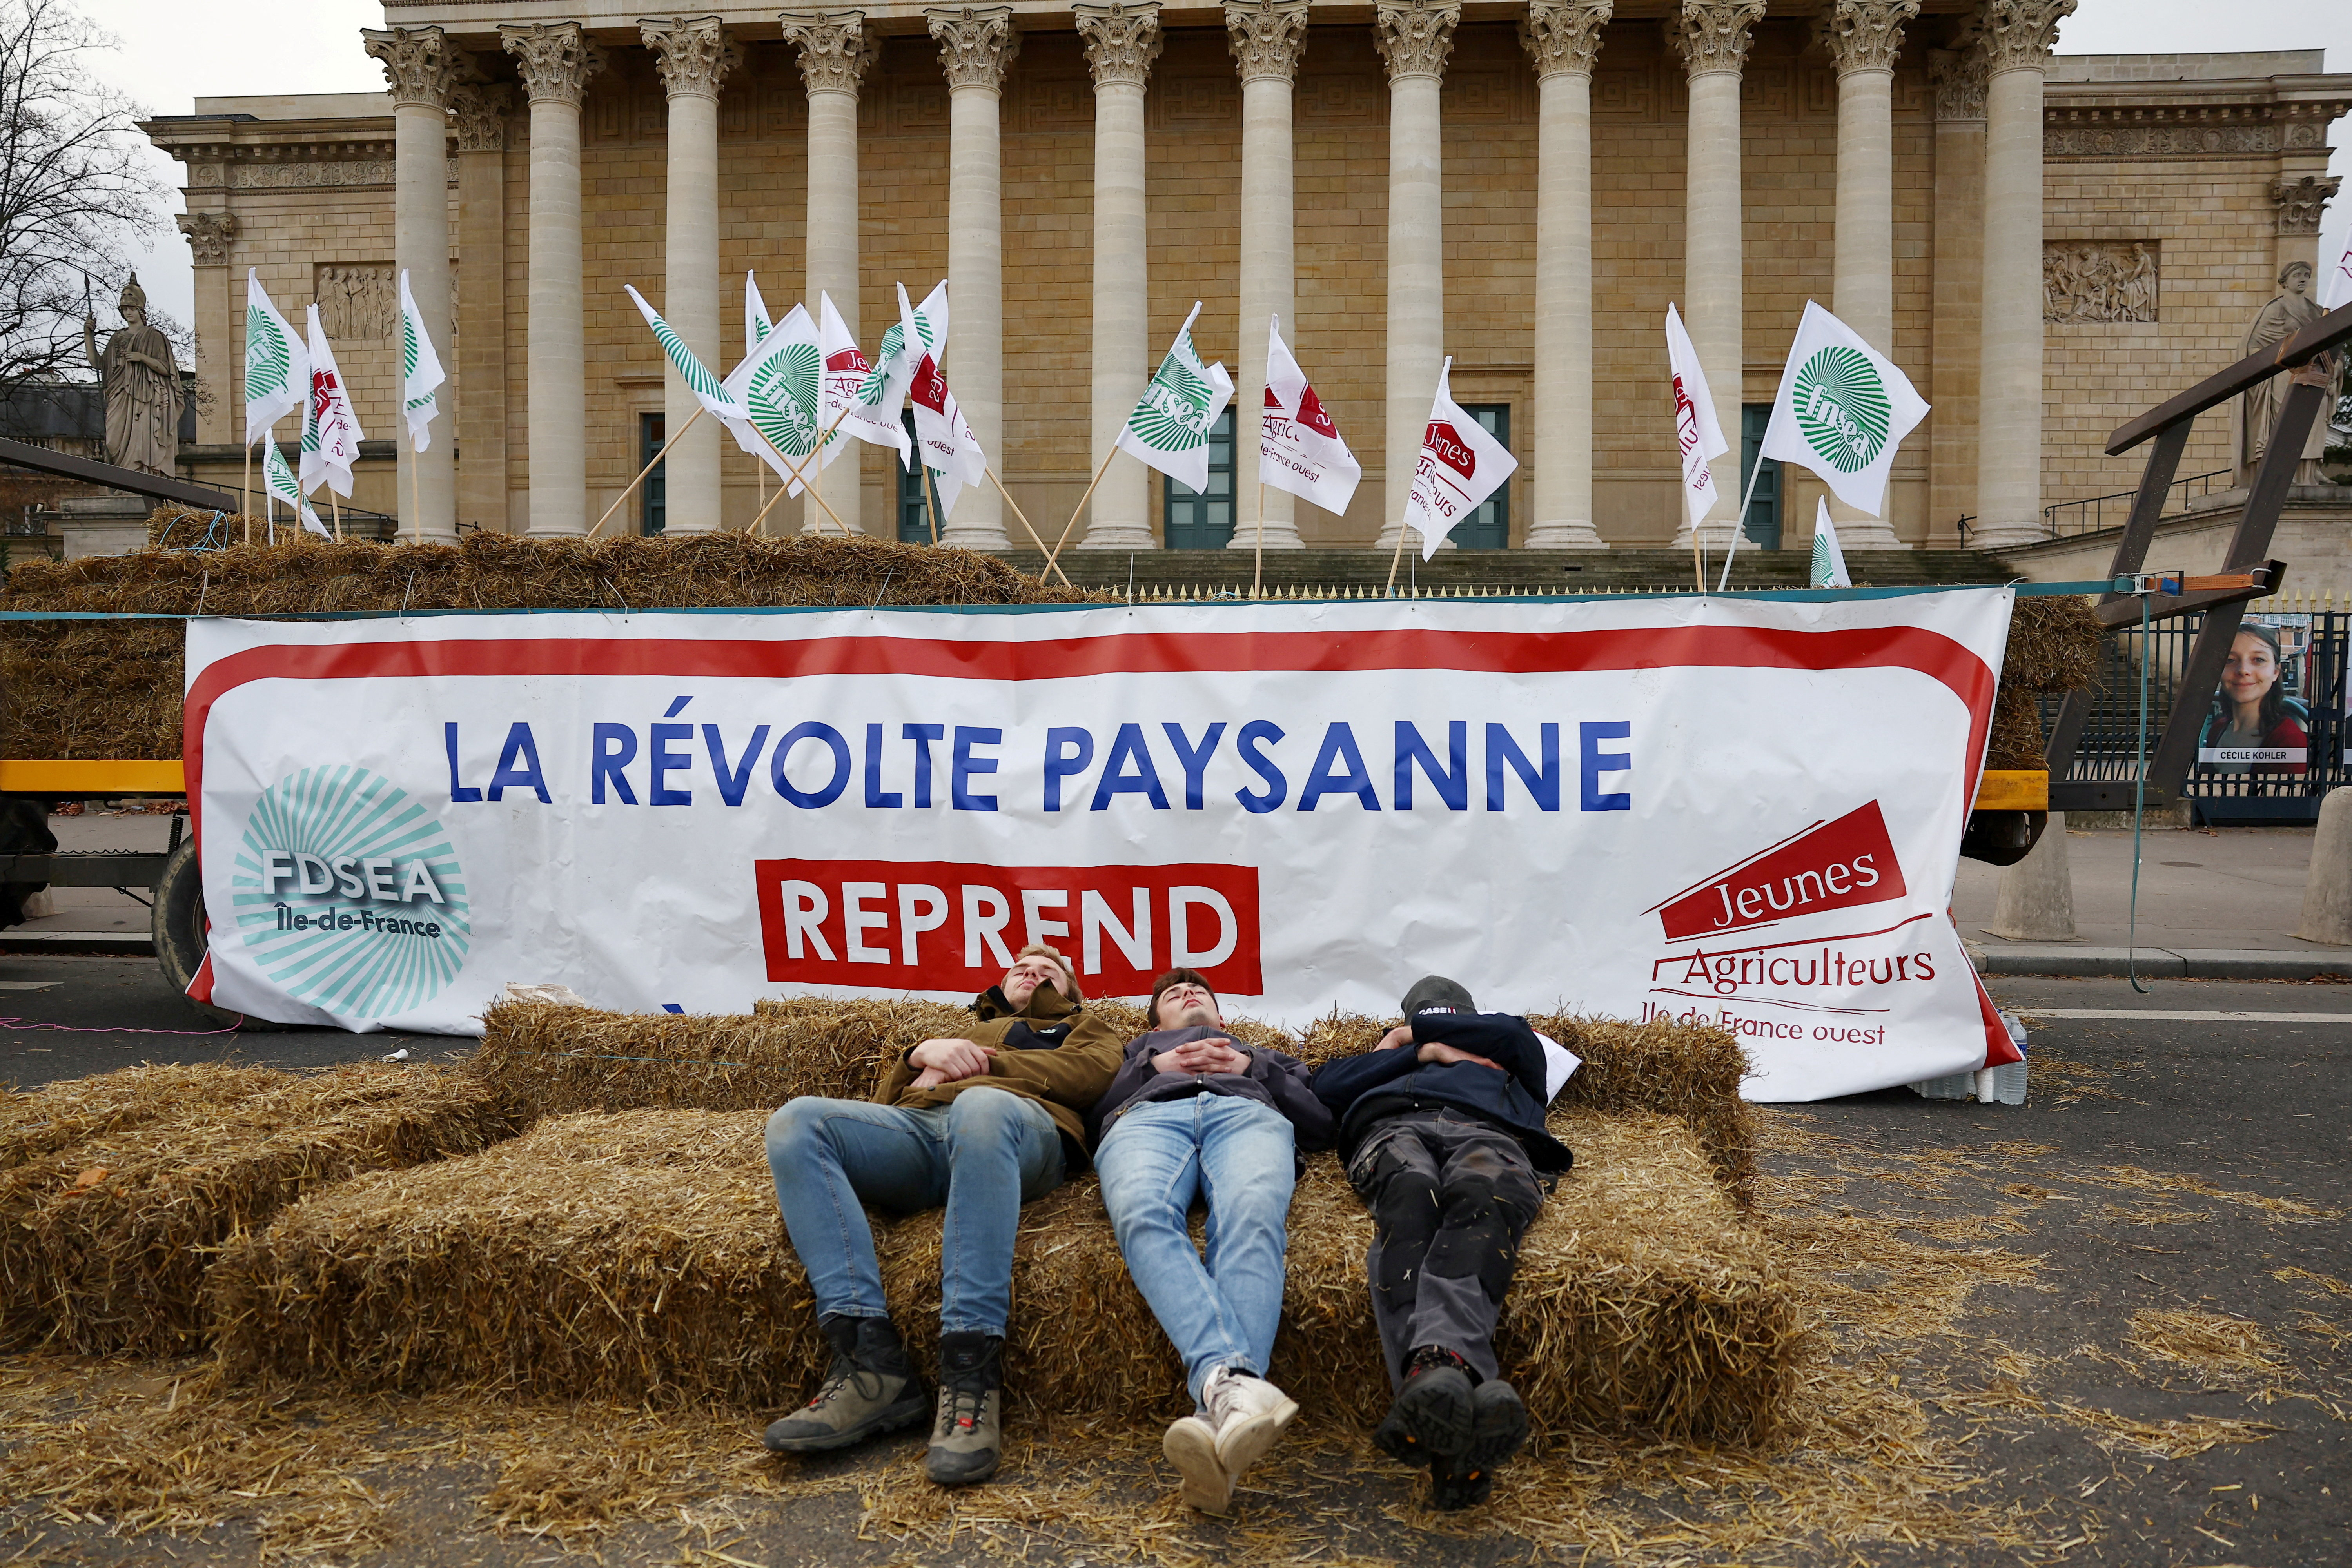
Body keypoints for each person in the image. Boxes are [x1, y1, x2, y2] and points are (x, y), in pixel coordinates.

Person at [761, 943, 1123, 1485]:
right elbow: (884, 1105)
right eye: (1021, 967)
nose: (1032, 972)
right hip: (925, 1134)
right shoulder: (962, 1030)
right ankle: (870, 1366)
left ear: (1070, 991)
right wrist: (916, 1056)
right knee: (797, 1122)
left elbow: (1091, 1078)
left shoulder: (1085, 1028)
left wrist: (977, 1064)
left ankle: (971, 1372)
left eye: (1048, 972)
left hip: (1019, 1132)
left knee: (982, 1105)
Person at [1310, 975, 1579, 1510]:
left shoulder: (1511, 1047)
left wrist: (1427, 1035)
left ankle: (1433, 1381)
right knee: (1411, 1200)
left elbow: (1514, 1035)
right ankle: (1455, 1390)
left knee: (1484, 1203)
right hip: (1392, 1131)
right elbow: (1323, 1089)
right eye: (1424, 1020)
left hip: (1491, 1134)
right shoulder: (1392, 1057)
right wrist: (1416, 1051)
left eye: (1450, 1017)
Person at [1088, 968, 1334, 1514]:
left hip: (1245, 1114)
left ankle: (1217, 1407)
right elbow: (1091, 1113)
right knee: (1142, 1212)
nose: (1187, 995)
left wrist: (1254, 1068)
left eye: (1198, 991)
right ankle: (1235, 1392)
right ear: (1156, 1022)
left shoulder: (1260, 1053)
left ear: (1222, 1017)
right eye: (1173, 996)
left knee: (1251, 1214)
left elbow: (1321, 1123)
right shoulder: (1132, 1052)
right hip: (1146, 1120)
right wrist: (1151, 1069)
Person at [2199, 622, 2310, 777]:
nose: (2243, 670)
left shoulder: (2288, 739)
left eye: (2258, 660)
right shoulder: (2217, 730)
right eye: (2230, 660)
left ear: (2276, 672)